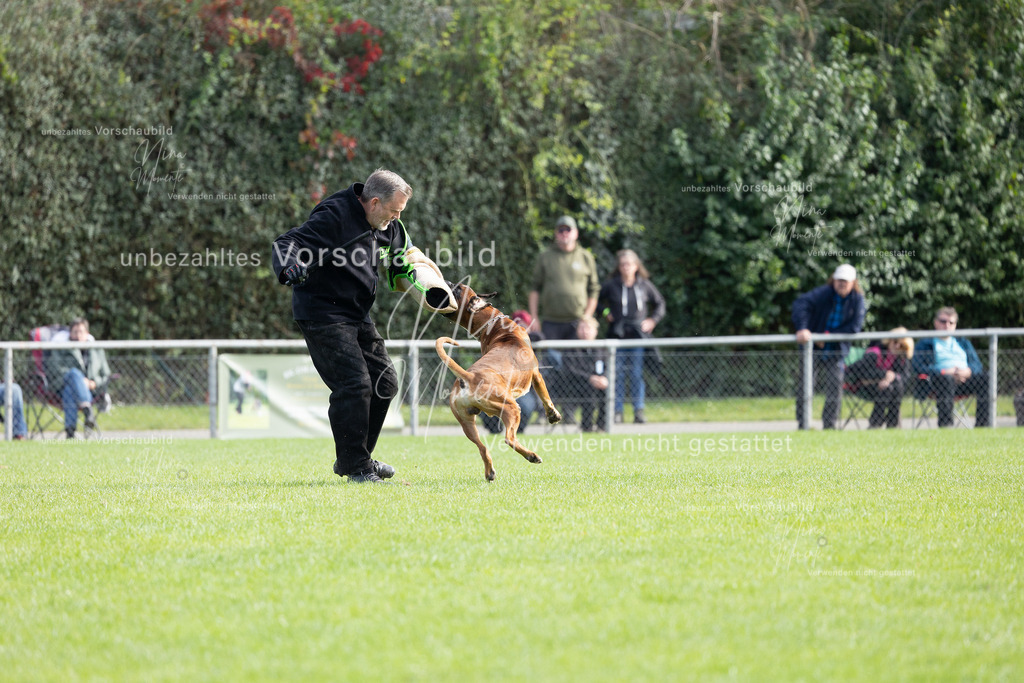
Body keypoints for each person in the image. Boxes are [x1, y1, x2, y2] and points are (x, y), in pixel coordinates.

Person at [272, 168, 454, 483]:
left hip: (355, 313)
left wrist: (435, 285)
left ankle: (358, 460)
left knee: (385, 384)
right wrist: (291, 266)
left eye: (401, 212)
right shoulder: (335, 215)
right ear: (372, 202)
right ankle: (357, 466)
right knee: (355, 385)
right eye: (394, 211)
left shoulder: (388, 224)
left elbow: (405, 259)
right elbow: (287, 242)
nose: (397, 218)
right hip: (322, 312)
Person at [792, 264, 866, 429]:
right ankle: (803, 423)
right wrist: (804, 328)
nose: (841, 284)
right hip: (813, 347)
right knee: (805, 385)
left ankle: (829, 425)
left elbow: (855, 327)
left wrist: (828, 335)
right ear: (833, 280)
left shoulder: (857, 300)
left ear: (853, 282)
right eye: (838, 280)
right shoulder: (824, 293)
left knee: (835, 385)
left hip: (836, 349)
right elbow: (800, 304)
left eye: (845, 281)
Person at [598, 249, 666, 424]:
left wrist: (652, 320)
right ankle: (617, 411)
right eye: (622, 265)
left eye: (629, 264)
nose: (626, 268)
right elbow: (596, 301)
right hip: (617, 335)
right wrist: (606, 313)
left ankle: (639, 411)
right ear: (619, 267)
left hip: (637, 336)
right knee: (617, 373)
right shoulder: (611, 285)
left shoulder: (645, 285)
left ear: (636, 266)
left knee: (636, 373)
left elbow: (660, 304)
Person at [912, 307, 991, 428]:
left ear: (955, 325)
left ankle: (983, 425)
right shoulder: (925, 344)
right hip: (937, 384)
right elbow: (918, 367)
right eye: (943, 321)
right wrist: (943, 372)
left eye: (951, 323)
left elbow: (977, 365)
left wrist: (967, 372)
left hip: (964, 381)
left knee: (987, 378)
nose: (947, 325)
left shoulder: (963, 342)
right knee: (946, 380)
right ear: (936, 322)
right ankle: (946, 425)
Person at [481, 310, 544, 435]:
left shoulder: (531, 342)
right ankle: (494, 430)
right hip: (499, 386)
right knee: (487, 402)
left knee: (524, 408)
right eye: (516, 324)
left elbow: (539, 337)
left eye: (523, 325)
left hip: (523, 390)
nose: (519, 327)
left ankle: (518, 431)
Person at [46, 317, 111, 438]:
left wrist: (93, 383)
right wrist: (80, 381)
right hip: (61, 385)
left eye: (81, 331)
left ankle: (70, 432)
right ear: (70, 333)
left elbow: (105, 374)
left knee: (70, 391)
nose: (78, 335)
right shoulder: (61, 348)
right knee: (74, 374)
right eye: (75, 332)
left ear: (87, 333)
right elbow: (55, 369)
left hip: (91, 391)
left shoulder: (96, 349)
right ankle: (87, 410)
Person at [844, 328, 914, 428]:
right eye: (895, 342)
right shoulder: (875, 352)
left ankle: (891, 425)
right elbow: (858, 371)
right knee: (887, 388)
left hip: (889, 389)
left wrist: (892, 377)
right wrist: (884, 375)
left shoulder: (902, 357)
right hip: (864, 386)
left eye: (901, 345)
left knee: (894, 386)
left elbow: (905, 377)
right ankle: (875, 424)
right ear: (889, 340)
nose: (897, 346)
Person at [559, 316, 609, 432]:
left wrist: (604, 378)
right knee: (589, 390)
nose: (585, 331)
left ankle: (602, 426)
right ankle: (587, 427)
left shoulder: (602, 349)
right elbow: (570, 370)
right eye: (582, 328)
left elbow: (607, 367)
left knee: (607, 389)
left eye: (588, 328)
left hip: (598, 385)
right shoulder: (570, 348)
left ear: (595, 331)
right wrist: (590, 378)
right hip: (574, 387)